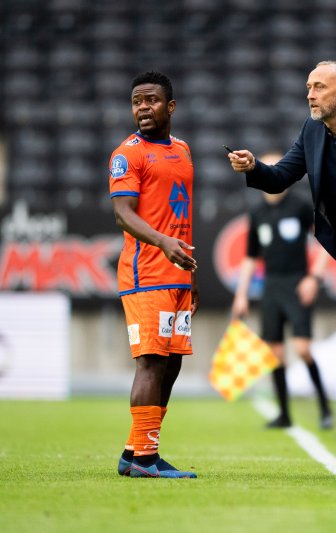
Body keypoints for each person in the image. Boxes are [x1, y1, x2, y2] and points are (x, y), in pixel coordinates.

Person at [228, 61, 336, 479]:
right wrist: (253, 166)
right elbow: (280, 177)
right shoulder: (310, 131)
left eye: (318, 87)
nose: (309, 94)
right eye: (308, 86)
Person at [109, 71, 198, 479]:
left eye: (151, 100)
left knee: (172, 364)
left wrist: (183, 266)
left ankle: (136, 451)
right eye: (136, 101)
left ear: (171, 107)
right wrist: (163, 242)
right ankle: (146, 459)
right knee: (149, 363)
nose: (143, 108)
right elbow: (123, 213)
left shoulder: (182, 148)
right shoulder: (127, 154)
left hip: (179, 275)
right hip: (147, 273)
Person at [232, 152, 333, 429]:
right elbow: (251, 257)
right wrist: (241, 295)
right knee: (274, 353)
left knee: (302, 349)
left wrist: (314, 277)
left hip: (297, 282)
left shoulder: (300, 206)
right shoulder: (257, 213)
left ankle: (325, 407)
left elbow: (326, 241)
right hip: (272, 287)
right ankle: (285, 414)